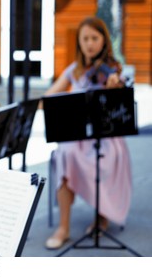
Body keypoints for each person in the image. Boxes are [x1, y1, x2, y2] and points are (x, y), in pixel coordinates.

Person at [43, 17, 132, 250]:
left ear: (104, 41)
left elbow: (120, 97)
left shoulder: (111, 70)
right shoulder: (74, 69)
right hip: (77, 135)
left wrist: (114, 88)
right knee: (63, 153)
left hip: (105, 137)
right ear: (79, 43)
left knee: (103, 159)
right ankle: (63, 227)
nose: (90, 43)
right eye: (85, 39)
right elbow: (48, 98)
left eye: (95, 38)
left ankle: (102, 215)